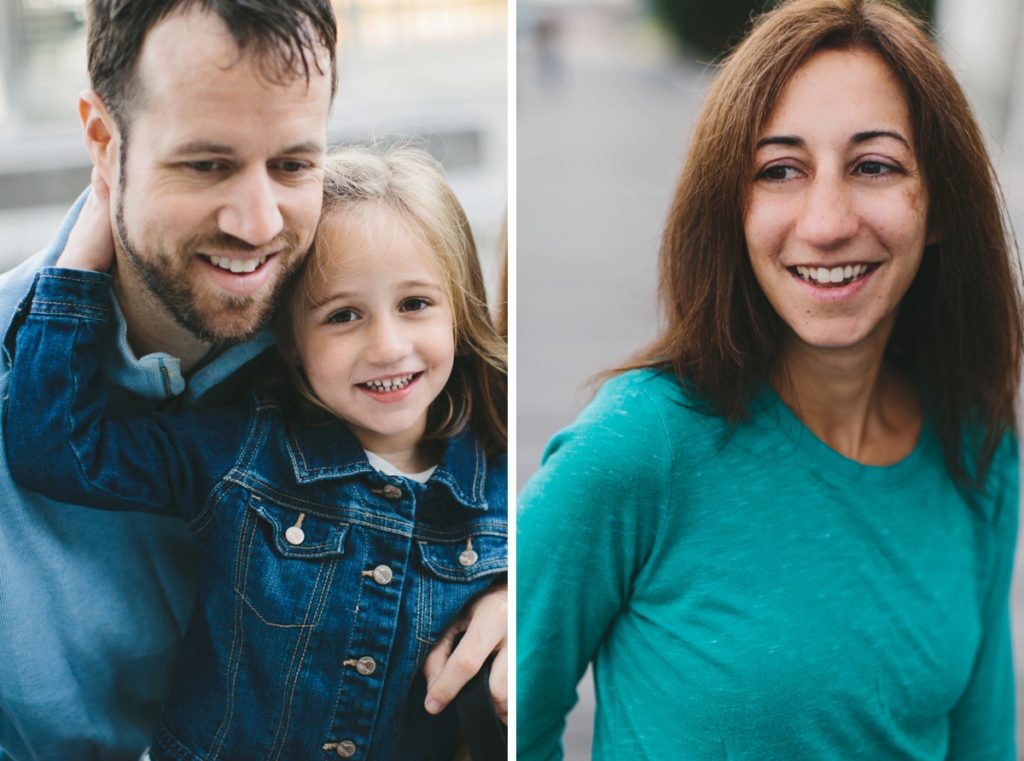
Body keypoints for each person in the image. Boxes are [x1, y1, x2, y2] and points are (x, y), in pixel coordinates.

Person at [517, 0, 1022, 758]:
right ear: (732, 206)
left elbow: (980, 742)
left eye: (875, 166)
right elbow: (506, 717)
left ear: (940, 204)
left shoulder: (976, 446)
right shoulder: (638, 447)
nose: (824, 222)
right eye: (779, 170)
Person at [0, 3, 506, 759]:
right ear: (104, 142)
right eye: (207, 163)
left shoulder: (359, 351)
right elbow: (54, 442)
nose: (257, 221)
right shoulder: (44, 376)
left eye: (294, 163)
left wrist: (519, 588)